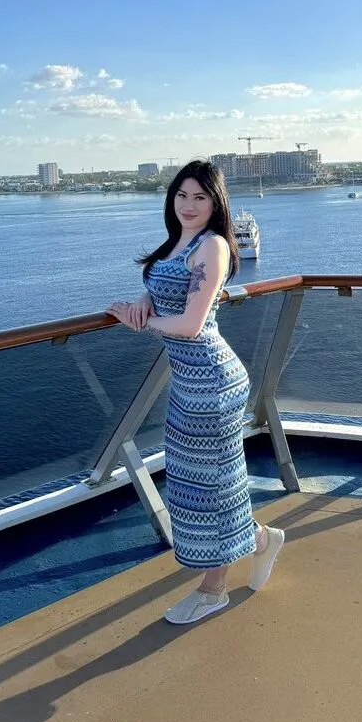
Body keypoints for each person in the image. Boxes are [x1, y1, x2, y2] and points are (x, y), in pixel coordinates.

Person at [106, 159, 284, 624]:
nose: (188, 205)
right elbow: (164, 288)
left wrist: (138, 322)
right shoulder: (176, 244)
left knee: (210, 486)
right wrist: (143, 302)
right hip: (188, 384)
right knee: (194, 483)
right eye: (181, 195)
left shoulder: (213, 246)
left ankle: (214, 589)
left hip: (213, 381)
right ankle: (261, 539)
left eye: (199, 197)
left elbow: (190, 324)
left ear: (215, 202)